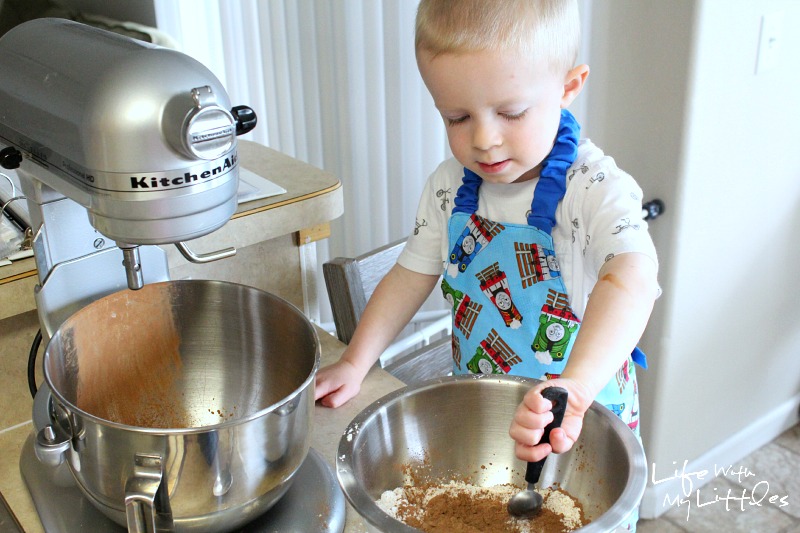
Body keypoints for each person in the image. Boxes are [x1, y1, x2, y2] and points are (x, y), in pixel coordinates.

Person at [316, 0, 659, 528]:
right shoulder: (450, 186)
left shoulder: (593, 191)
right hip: (485, 418)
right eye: (457, 117)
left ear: (569, 86)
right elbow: (411, 273)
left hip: (579, 426)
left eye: (511, 112)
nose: (483, 138)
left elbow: (630, 279)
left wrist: (577, 387)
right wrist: (357, 362)